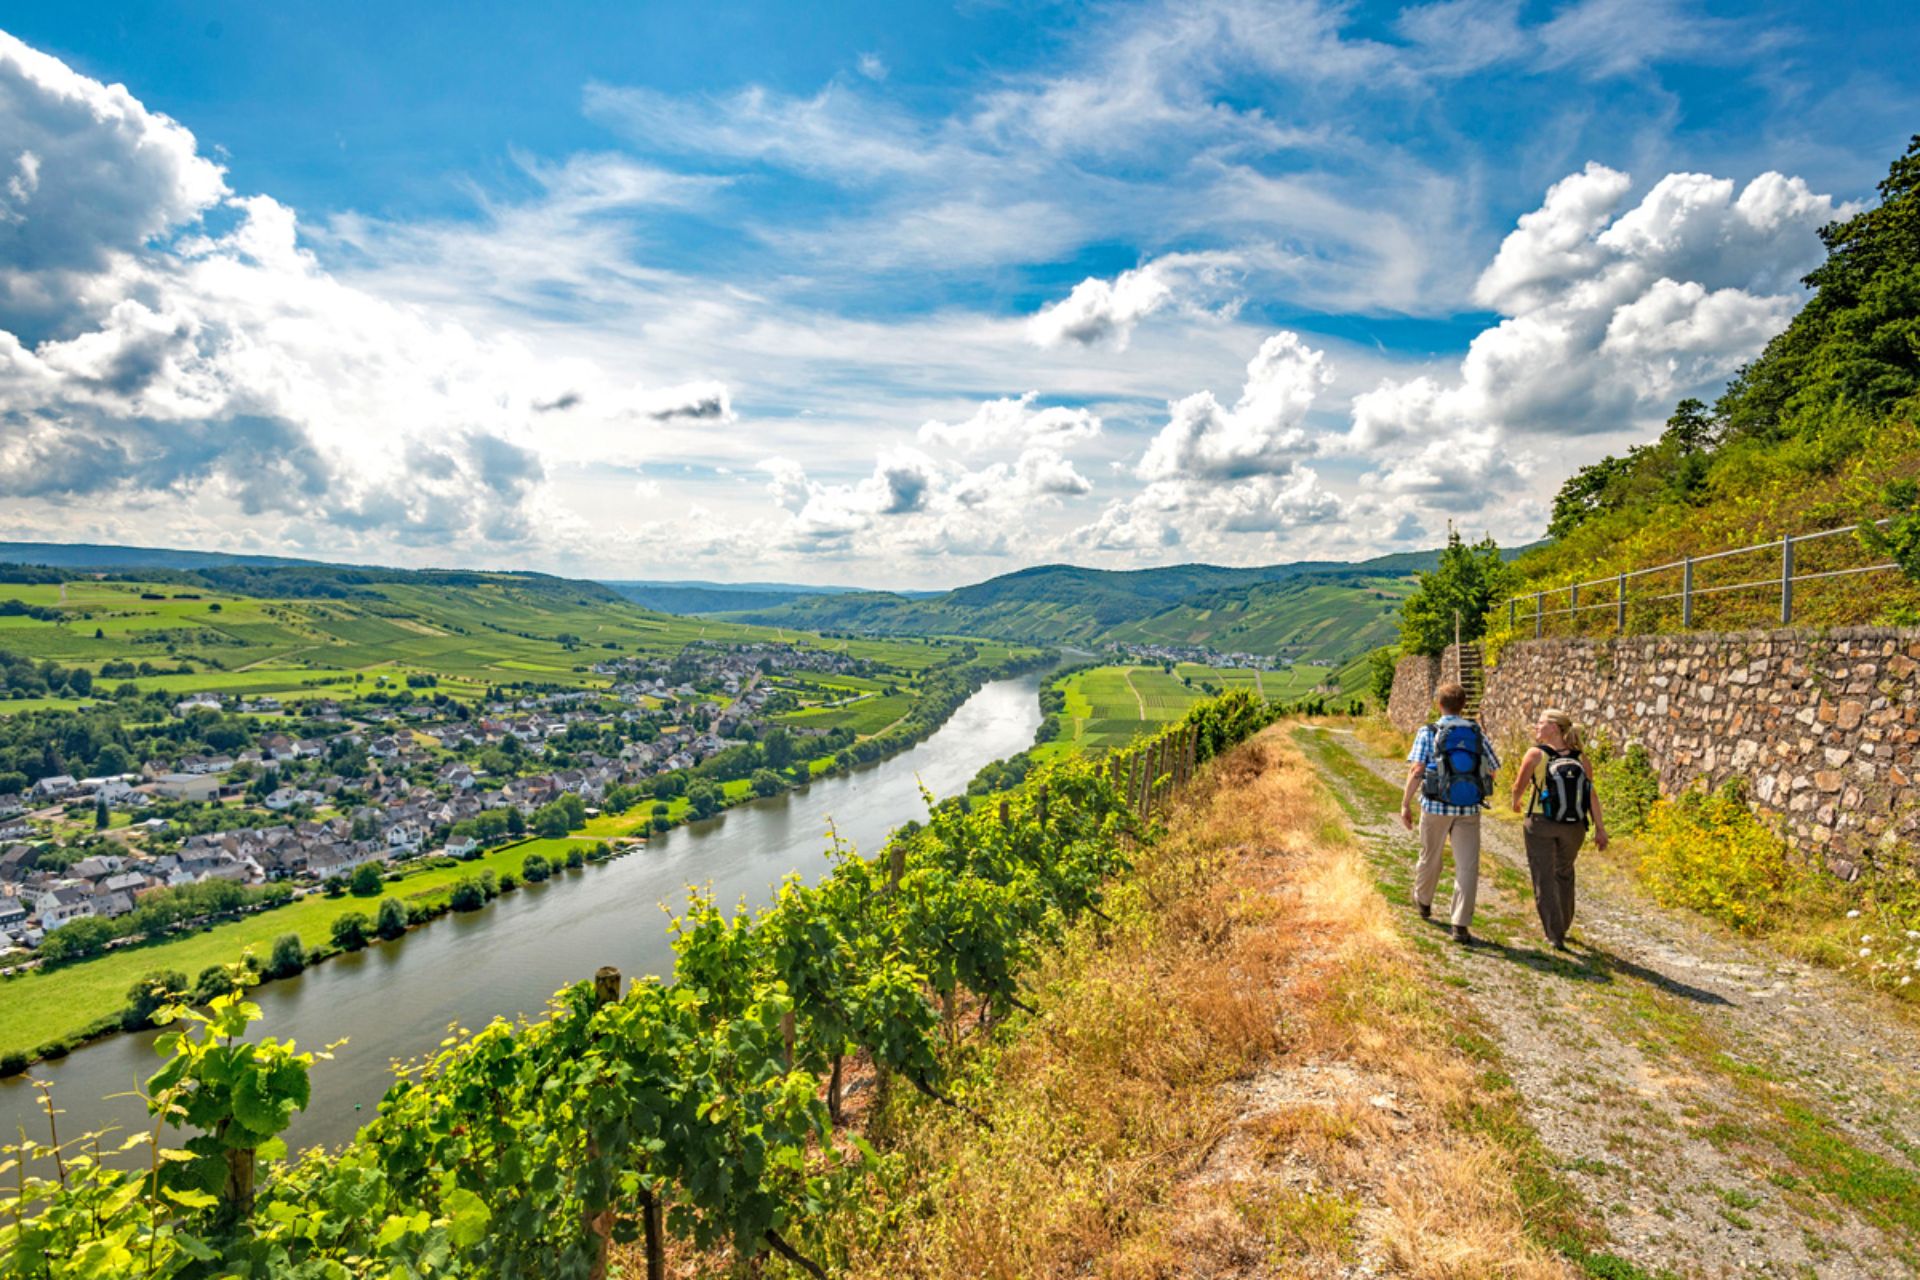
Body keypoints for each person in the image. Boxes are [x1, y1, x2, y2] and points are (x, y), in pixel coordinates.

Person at [1400, 682, 1498, 945]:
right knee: (1467, 865)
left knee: (1430, 856)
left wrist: (1405, 803)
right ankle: (1460, 924)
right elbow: (1492, 769)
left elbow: (1417, 769)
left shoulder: (1429, 731)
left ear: (1438, 704)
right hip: (1469, 808)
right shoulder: (1477, 732)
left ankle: (1423, 901)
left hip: (1435, 805)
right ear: (1463, 705)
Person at [1508, 708, 1608, 951]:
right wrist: (1600, 829)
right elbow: (1590, 794)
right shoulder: (1581, 758)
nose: (1536, 726)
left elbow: (1518, 786)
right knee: (1564, 872)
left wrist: (1516, 802)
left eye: (1540, 722)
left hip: (1541, 822)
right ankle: (1563, 924)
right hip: (1574, 826)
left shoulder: (1535, 754)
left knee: (1543, 875)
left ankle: (1554, 934)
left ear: (1553, 727)